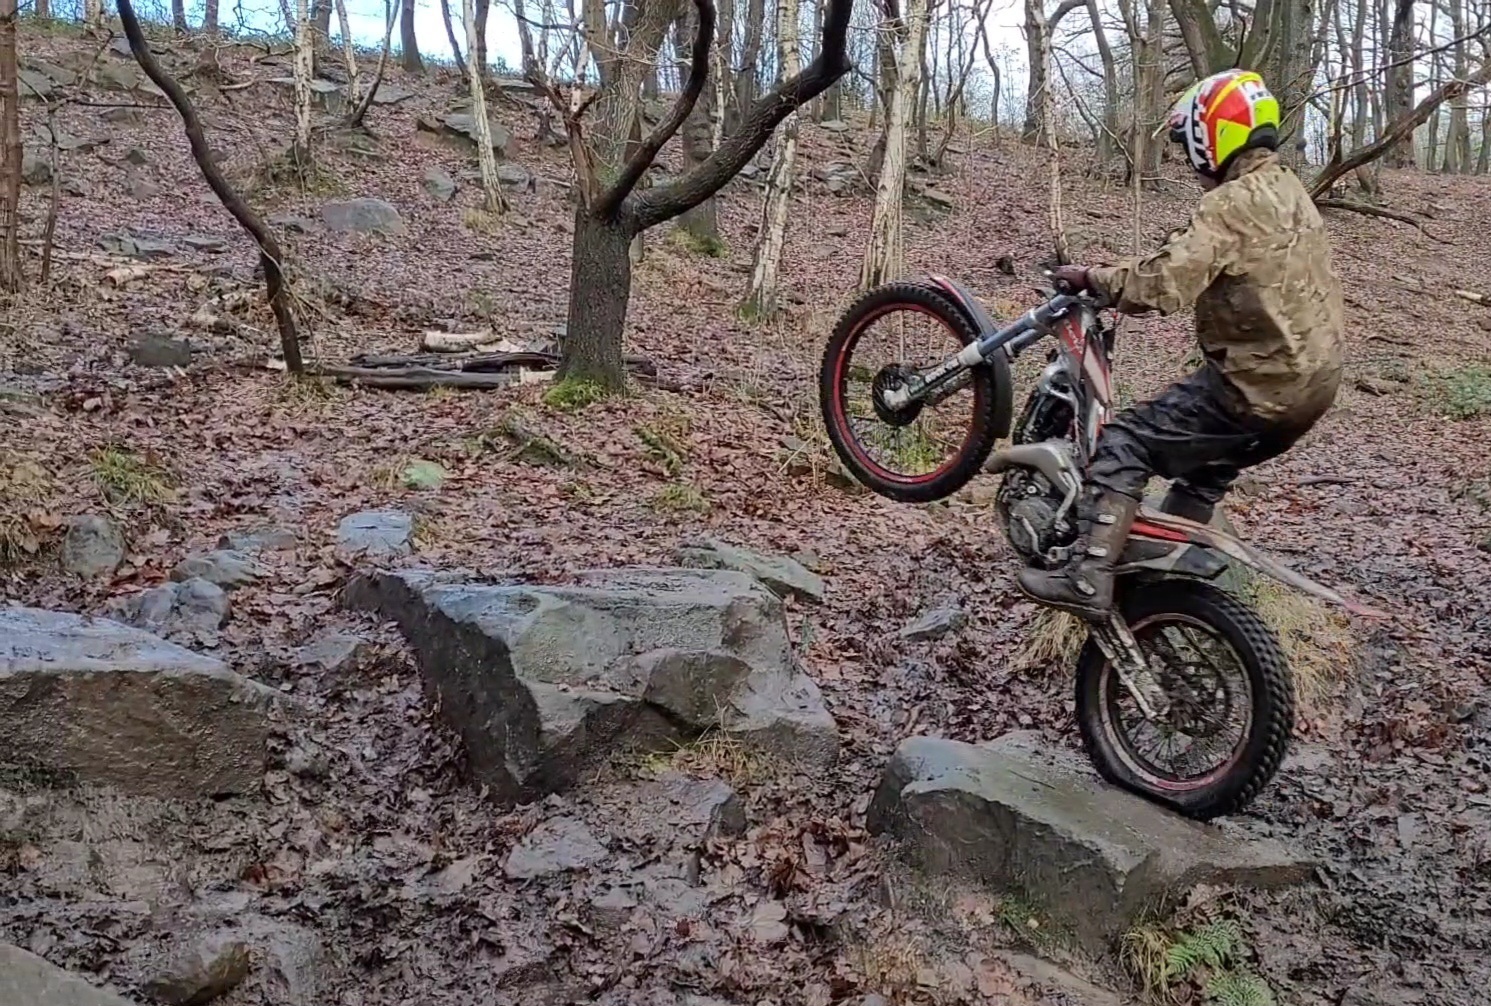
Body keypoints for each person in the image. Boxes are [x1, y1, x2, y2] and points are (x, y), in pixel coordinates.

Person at [1017, 68, 1346, 621]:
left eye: (1188, 140)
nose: (1189, 157)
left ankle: (1087, 576)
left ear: (1214, 131)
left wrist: (1094, 278)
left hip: (1255, 388)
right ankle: (1164, 583)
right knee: (1204, 471)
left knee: (1125, 443)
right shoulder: (1290, 191)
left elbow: (1164, 283)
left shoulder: (1231, 203)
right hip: (1312, 388)